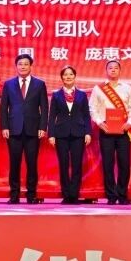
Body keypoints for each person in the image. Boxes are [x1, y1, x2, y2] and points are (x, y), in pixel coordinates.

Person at [0, 53, 49, 204]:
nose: (23, 67)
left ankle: (31, 194)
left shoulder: (39, 84)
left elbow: (44, 107)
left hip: (33, 130)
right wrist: (4, 126)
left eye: (26, 64)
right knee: (14, 163)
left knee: (32, 164)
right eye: (20, 64)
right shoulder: (9, 84)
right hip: (13, 129)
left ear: (30, 66)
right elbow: (3, 107)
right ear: (16, 66)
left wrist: (42, 126)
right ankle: (14, 195)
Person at [90, 59, 131, 205]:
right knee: (108, 163)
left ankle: (122, 194)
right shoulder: (98, 89)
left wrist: (129, 123)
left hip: (123, 130)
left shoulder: (127, 88)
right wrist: (100, 123)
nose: (113, 70)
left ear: (120, 70)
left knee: (124, 163)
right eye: (110, 68)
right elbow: (92, 108)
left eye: (116, 68)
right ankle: (111, 196)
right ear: (106, 71)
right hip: (106, 130)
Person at [48, 66, 92, 205]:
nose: (68, 77)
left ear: (75, 76)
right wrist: (51, 134)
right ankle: (66, 195)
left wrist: (88, 132)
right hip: (61, 134)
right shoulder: (56, 95)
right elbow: (52, 116)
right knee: (64, 164)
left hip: (78, 133)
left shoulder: (81, 95)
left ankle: (74, 194)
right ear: (62, 77)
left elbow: (86, 115)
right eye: (65, 75)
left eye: (71, 74)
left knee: (77, 165)